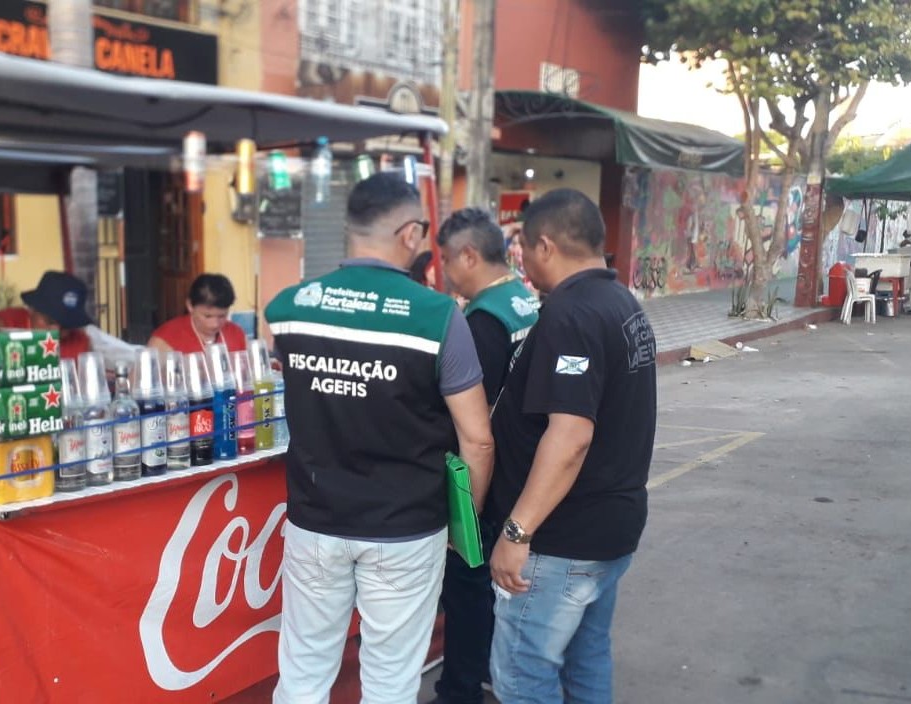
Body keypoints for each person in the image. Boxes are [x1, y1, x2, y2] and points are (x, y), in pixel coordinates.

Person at [265, 172, 494, 703]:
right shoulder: (438, 316)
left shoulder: (287, 308)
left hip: (314, 521)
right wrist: (464, 524)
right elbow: (477, 440)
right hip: (406, 529)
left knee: (302, 673)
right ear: (410, 233)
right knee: (389, 683)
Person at [485, 189, 657, 704]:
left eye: (522, 250)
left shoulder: (571, 313)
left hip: (561, 540)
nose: (522, 262)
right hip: (608, 530)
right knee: (586, 660)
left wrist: (517, 531)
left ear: (543, 246)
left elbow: (571, 435)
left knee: (521, 675)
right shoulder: (621, 301)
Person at [432, 207, 540, 704]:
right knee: (492, 593)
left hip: (485, 479)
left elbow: (471, 418)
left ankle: (460, 689)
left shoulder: (482, 321)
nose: (444, 272)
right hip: (521, 471)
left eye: (447, 261)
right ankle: (493, 674)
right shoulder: (523, 299)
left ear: (469, 256)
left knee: (468, 588)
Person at [0, 270, 94, 361]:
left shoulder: (80, 343)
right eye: (49, 321)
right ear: (32, 309)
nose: (55, 331)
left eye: (66, 326)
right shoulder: (1, 324)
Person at [147, 273, 248, 355]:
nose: (215, 324)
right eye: (207, 316)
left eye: (222, 316)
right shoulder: (166, 339)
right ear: (190, 306)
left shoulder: (237, 334)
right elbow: (141, 378)